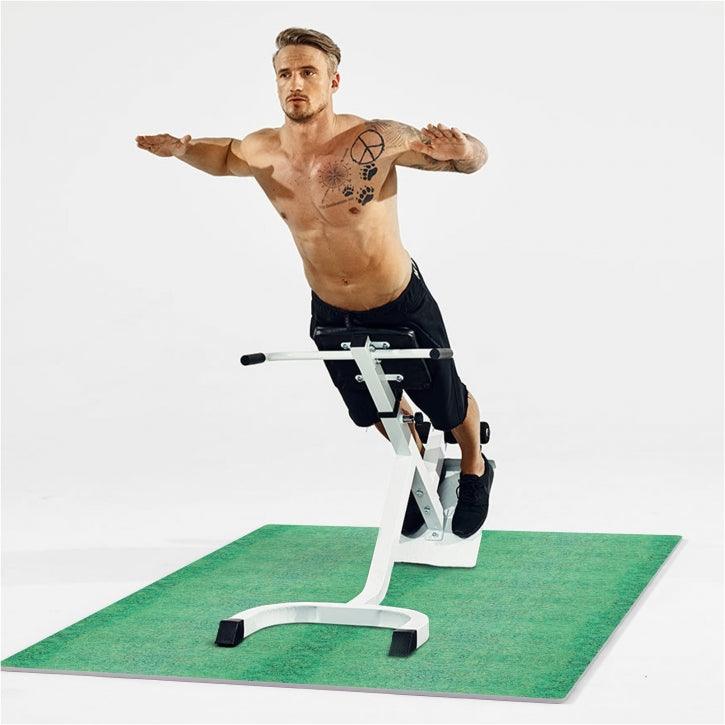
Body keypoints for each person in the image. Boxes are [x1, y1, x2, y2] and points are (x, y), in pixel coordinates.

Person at [135, 27, 493, 538]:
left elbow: (468, 162)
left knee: (447, 405)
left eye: (308, 72)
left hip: (398, 299)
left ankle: (476, 466)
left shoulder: (377, 138)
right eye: (285, 74)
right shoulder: (262, 149)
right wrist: (182, 149)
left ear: (334, 81)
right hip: (330, 309)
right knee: (372, 407)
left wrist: (467, 147)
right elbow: (224, 157)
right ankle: (416, 467)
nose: (295, 84)